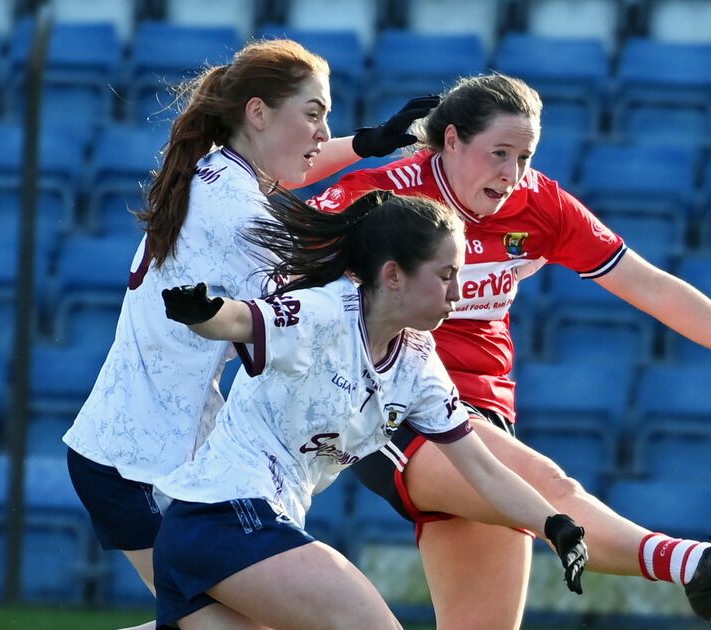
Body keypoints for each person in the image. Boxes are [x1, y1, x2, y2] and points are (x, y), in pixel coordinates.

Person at [307, 73, 711, 626]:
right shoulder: (382, 197)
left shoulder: (538, 204)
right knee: (547, 487)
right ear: (451, 140)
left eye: (524, 156)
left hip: (482, 407)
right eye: (499, 153)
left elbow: (646, 284)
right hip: (390, 402)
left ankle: (695, 569)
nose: (512, 174)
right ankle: (695, 565)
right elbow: (273, 222)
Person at [60, 37, 437, 624]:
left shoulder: (218, 173)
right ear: (257, 113)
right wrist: (375, 241)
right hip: (138, 463)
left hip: (140, 448)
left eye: (326, 117)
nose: (322, 131)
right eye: (313, 113)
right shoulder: (242, 216)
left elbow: (288, 176)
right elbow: (314, 311)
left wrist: (366, 145)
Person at [152, 189, 588, 629]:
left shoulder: (419, 364)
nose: (458, 292)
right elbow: (242, 319)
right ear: (394, 275)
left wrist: (554, 524)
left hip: (215, 533)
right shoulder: (324, 312)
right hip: (225, 513)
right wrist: (202, 312)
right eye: (445, 275)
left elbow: (483, 471)